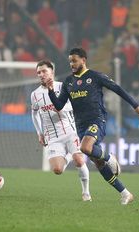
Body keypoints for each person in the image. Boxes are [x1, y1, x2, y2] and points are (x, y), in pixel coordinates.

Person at [46, 47, 139, 205]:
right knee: (98, 164)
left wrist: (135, 106)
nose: (71, 64)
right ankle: (125, 193)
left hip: (97, 120)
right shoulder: (68, 82)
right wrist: (51, 91)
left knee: (86, 148)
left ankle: (109, 157)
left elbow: (117, 89)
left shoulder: (95, 76)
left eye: (74, 60)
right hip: (80, 126)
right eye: (70, 61)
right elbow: (59, 105)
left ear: (83, 60)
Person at [31, 60, 92, 201]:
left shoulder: (64, 87)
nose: (41, 74)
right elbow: (34, 114)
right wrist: (39, 132)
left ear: (52, 71)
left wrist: (63, 108)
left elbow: (77, 105)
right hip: (52, 136)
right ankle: (69, 155)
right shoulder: (35, 95)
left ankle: (86, 193)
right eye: (38, 72)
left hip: (70, 131)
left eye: (44, 71)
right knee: (57, 170)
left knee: (79, 160)